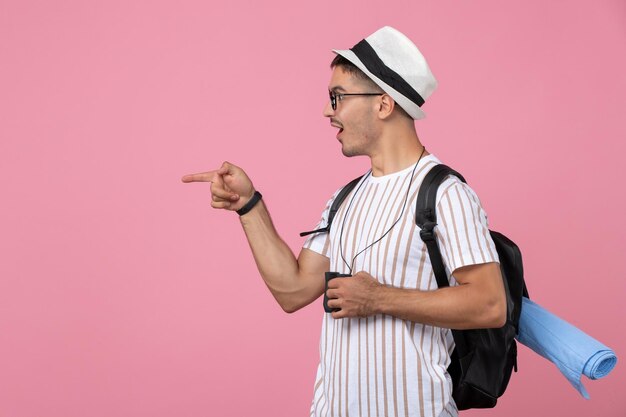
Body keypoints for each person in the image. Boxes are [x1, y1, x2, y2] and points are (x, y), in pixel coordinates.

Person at [182, 26, 506, 417]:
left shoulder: (445, 193)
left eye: (337, 98)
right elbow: (293, 290)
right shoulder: (345, 198)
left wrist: (379, 298)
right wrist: (249, 206)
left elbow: (490, 304)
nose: (327, 111)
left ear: (383, 104)